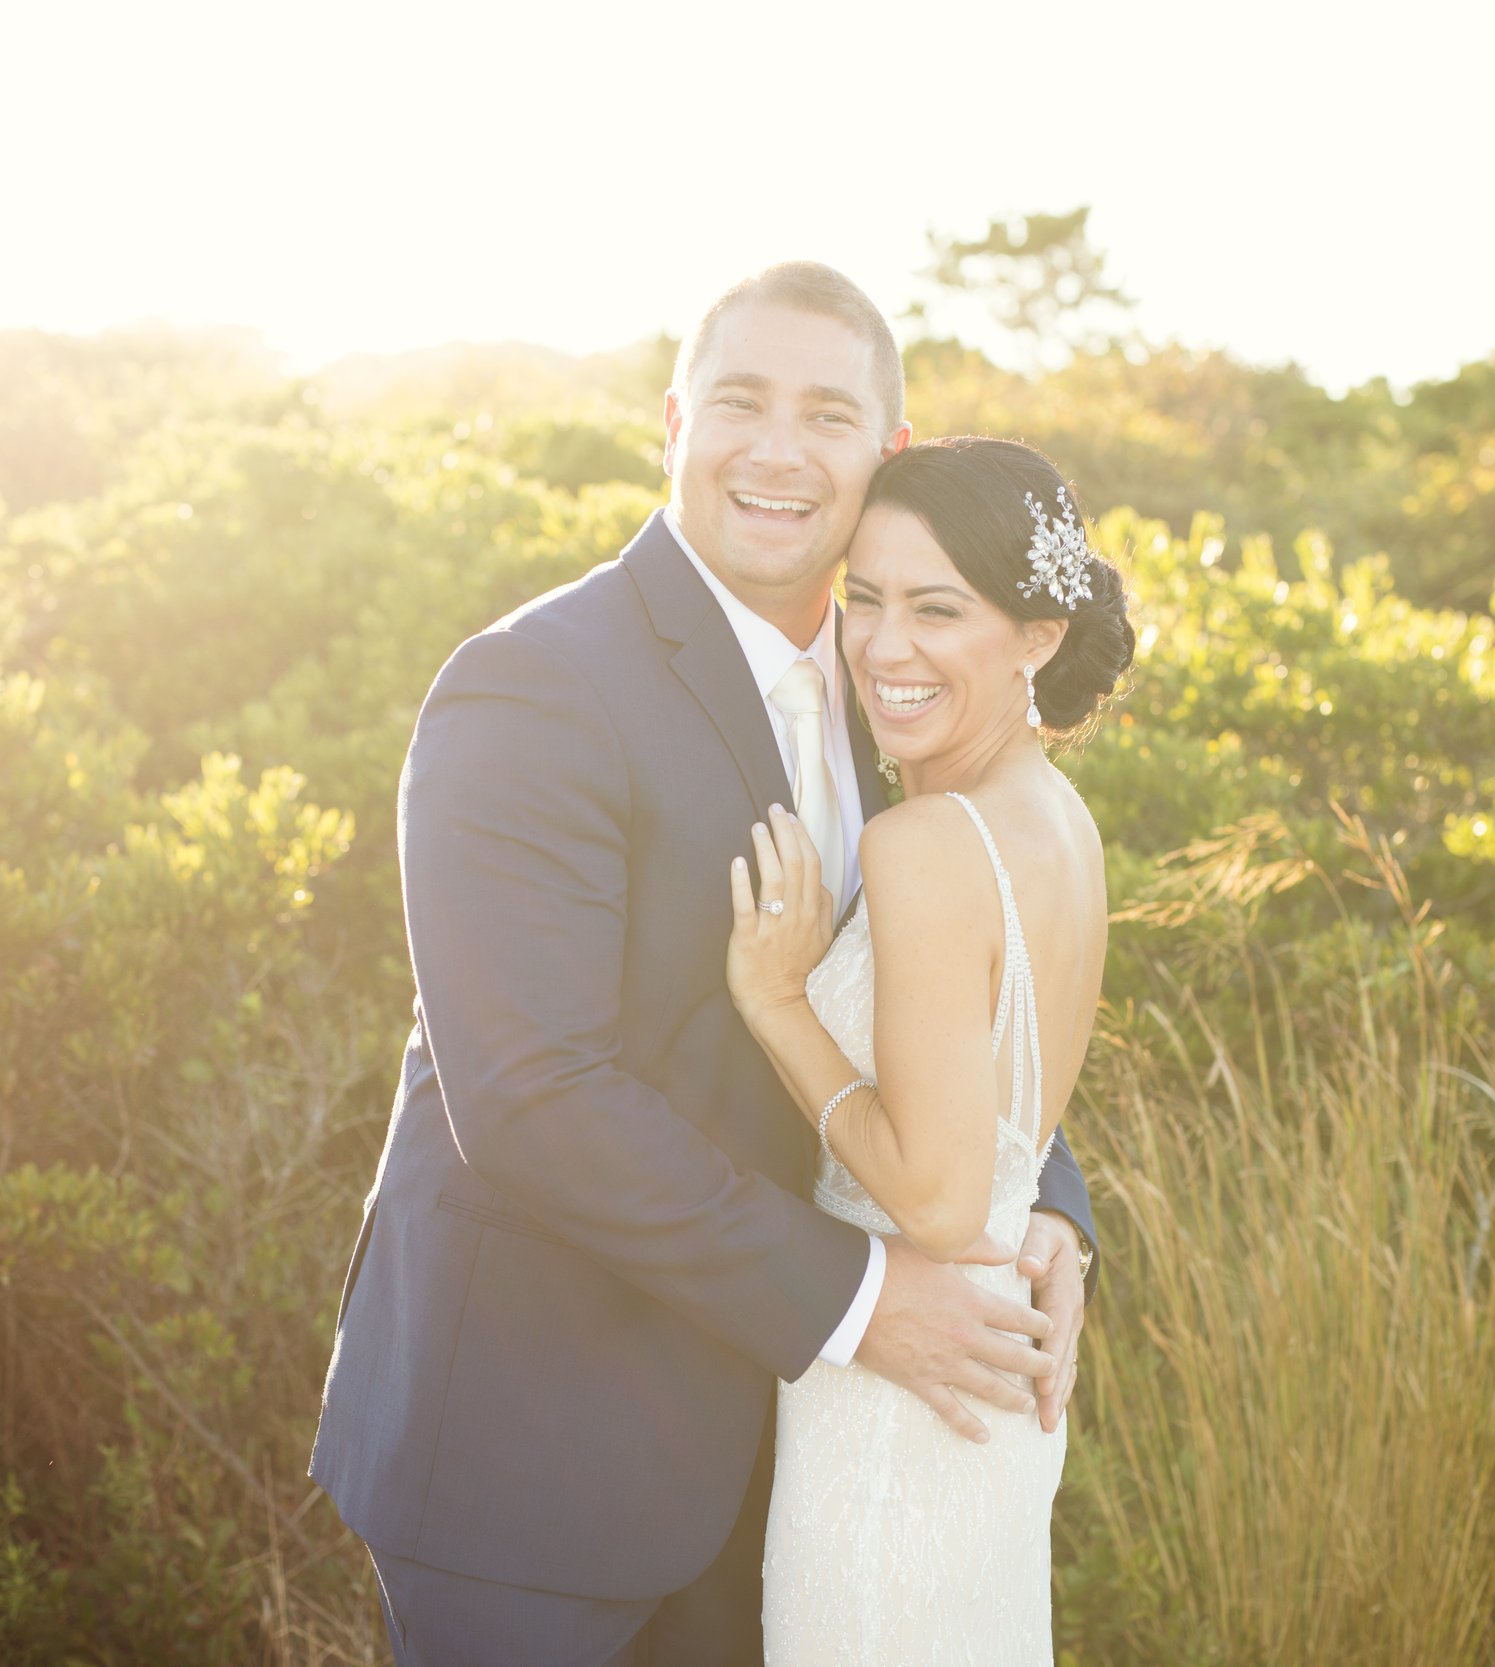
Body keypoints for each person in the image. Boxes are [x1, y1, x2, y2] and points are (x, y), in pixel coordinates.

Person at [309, 262, 1102, 1666]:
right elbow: (533, 1093)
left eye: (827, 414)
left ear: (887, 453)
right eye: (739, 401)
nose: (779, 449)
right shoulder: (530, 686)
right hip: (535, 1460)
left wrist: (1043, 1200)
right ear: (674, 419)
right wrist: (864, 1302)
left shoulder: (898, 686)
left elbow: (966, 974)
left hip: (777, 1463)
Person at [727, 437, 1131, 1665]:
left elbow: (946, 1199)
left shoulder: (930, 843)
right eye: (865, 598)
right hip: (985, 1382)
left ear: (1038, 635)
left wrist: (778, 1000)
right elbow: (1005, 1128)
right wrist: (1056, 1223)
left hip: (901, 1405)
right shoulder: (1059, 817)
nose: (883, 646)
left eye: (936, 608)